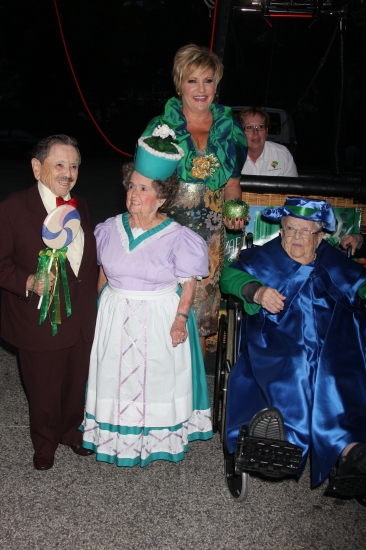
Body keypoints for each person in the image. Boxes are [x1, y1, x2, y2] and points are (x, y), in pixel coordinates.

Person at [81, 125, 213, 467]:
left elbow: (188, 282)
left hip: (158, 317)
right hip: (115, 313)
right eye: (131, 186)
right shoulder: (108, 229)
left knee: (156, 378)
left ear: (162, 197)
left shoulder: (179, 237)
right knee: (113, 377)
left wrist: (181, 319)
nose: (133, 194)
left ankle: (154, 439)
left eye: (143, 188)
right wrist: (96, 314)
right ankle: (117, 438)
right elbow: (103, 275)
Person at [220, 197, 366, 498]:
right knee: (296, 365)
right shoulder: (263, 257)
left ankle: (353, 453)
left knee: (337, 374)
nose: (296, 237)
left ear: (321, 235)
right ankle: (281, 439)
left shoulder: (333, 260)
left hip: (332, 342)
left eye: (304, 231)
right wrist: (256, 291)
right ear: (280, 228)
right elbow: (229, 277)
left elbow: (360, 284)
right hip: (275, 340)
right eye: (289, 229)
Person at [140, 44, 247, 357]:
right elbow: (144, 185)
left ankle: (195, 398)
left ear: (217, 85)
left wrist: (235, 214)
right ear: (179, 84)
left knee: (198, 319)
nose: (201, 89)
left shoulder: (231, 130)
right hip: (166, 229)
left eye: (209, 80)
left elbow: (233, 184)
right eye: (193, 81)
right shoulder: (160, 129)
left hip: (210, 238)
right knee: (162, 310)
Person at [0, 135, 98, 470]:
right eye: (59, 164)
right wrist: (28, 281)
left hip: (82, 313)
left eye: (74, 165)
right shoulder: (13, 207)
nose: (68, 172)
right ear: (36, 167)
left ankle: (71, 431)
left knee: (75, 381)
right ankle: (44, 444)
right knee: (42, 387)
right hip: (40, 318)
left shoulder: (79, 205)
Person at [240, 107, 298, 177]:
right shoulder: (230, 157)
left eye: (260, 127)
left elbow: (290, 186)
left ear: (266, 131)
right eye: (249, 127)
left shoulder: (282, 155)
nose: (255, 132)